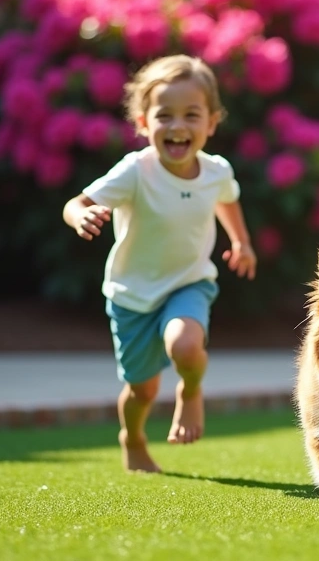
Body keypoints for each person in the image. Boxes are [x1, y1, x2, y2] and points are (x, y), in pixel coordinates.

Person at [62, 55, 256, 473]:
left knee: (185, 345)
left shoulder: (217, 171)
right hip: (132, 296)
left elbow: (227, 201)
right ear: (143, 122)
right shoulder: (136, 170)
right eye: (164, 115)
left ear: (211, 123)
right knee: (143, 391)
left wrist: (241, 242)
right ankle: (132, 437)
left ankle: (191, 391)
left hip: (189, 282)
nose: (177, 125)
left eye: (191, 115)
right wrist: (81, 216)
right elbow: (76, 203)